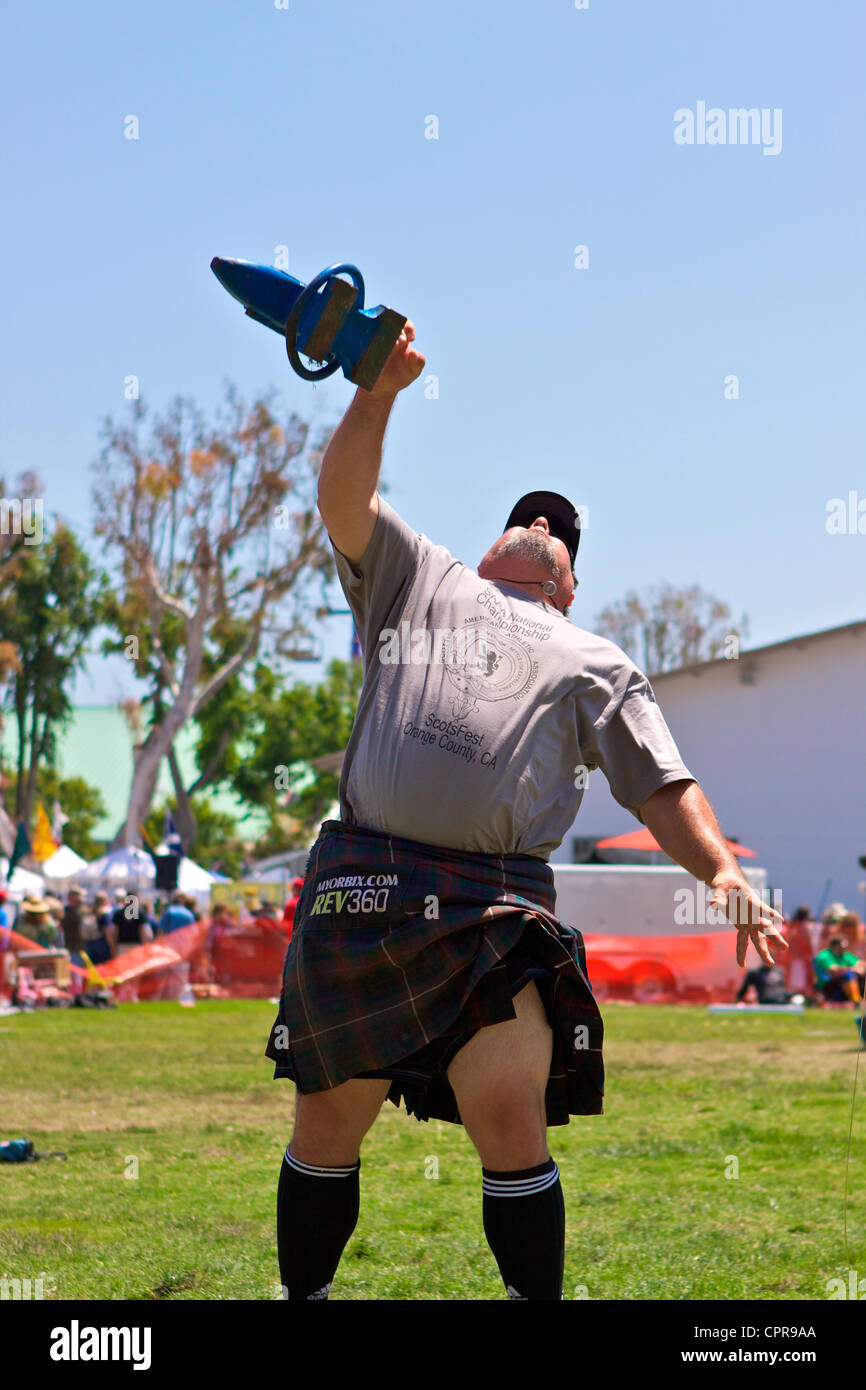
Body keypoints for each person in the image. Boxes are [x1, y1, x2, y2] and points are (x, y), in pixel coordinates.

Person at [264, 321, 787, 1303]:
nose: (543, 526)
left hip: (491, 906)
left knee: (509, 1118)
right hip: (369, 885)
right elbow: (341, 501)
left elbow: (661, 784)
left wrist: (716, 868)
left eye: (560, 531)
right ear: (490, 545)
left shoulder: (596, 661)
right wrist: (375, 393)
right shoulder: (421, 579)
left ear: (571, 578)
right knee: (326, 1125)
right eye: (529, 518)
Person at [814, 935, 861, 1004]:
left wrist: (860, 969)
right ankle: (856, 1001)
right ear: (834, 946)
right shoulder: (824, 955)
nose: (844, 949)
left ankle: (857, 999)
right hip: (828, 985)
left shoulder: (846, 955)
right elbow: (832, 969)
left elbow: (859, 964)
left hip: (842, 984)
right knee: (848, 974)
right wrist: (853, 969)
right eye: (842, 947)